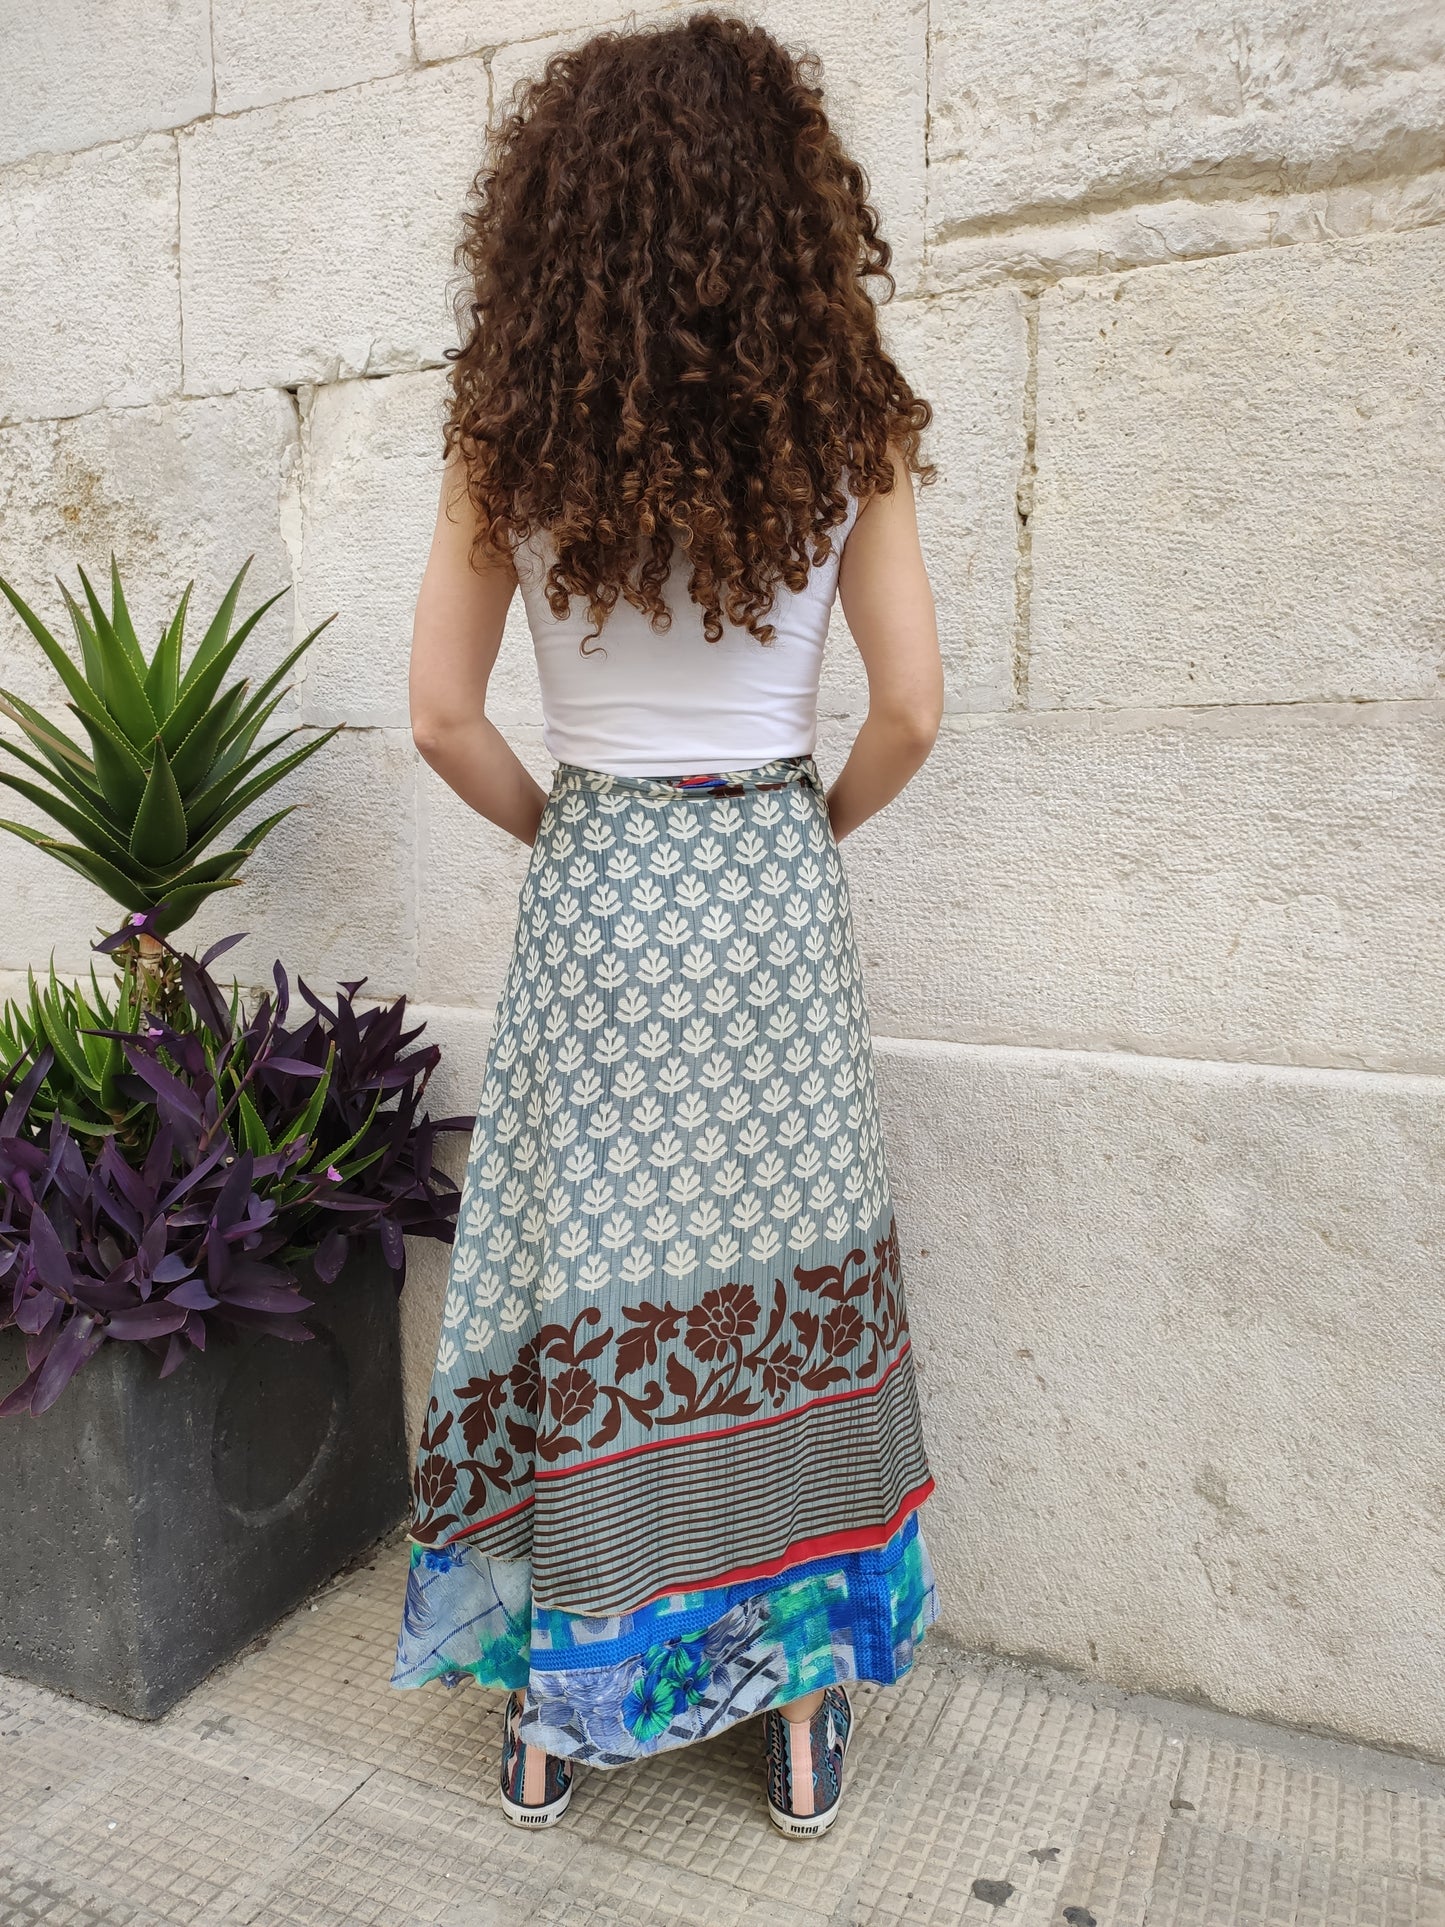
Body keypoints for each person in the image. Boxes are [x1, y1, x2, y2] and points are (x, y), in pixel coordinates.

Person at [392, 11, 944, 1840]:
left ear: (553, 214)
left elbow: (444, 717)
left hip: (605, 892)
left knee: (588, 1292)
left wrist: (574, 835)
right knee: (781, 1302)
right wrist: (800, 834)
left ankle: (557, 1721)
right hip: (769, 888)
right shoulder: (846, 422)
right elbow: (910, 711)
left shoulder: (510, 430)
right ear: (792, 205)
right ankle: (794, 1713)